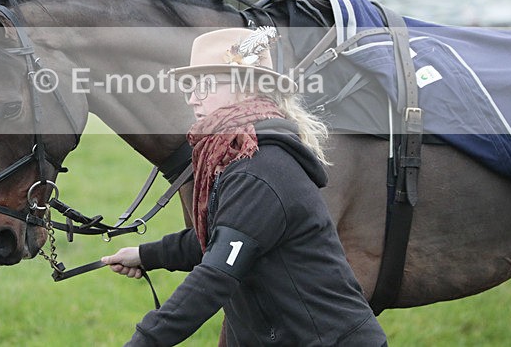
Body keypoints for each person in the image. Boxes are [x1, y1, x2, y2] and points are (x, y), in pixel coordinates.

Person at [102, 27, 387, 346]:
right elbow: (222, 236)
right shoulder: (237, 155)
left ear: (246, 87)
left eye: (204, 85)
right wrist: (146, 255)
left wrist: (142, 341)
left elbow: (215, 276)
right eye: (190, 86)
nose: (192, 98)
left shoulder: (261, 169)